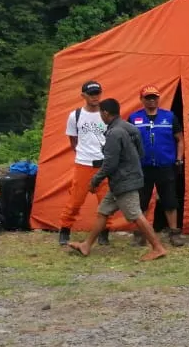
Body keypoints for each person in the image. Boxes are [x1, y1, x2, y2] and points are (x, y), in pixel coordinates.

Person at [66, 98, 166, 262]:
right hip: (123, 179)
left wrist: (95, 180)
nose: (100, 116)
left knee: (136, 215)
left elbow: (110, 164)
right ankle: (86, 245)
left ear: (105, 113)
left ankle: (158, 247)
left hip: (124, 182)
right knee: (103, 211)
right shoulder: (130, 127)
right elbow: (141, 153)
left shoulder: (114, 133)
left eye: (101, 113)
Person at [127, 85, 185, 247]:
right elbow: (128, 142)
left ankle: (174, 234)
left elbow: (180, 139)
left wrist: (179, 158)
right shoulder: (134, 118)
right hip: (142, 167)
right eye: (148, 97)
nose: (152, 100)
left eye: (154, 97)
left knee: (170, 201)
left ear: (159, 98)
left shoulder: (170, 116)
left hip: (165, 166)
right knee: (141, 202)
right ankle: (140, 235)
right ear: (142, 99)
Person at [58, 80, 110, 246]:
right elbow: (73, 141)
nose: (95, 97)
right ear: (83, 96)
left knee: (106, 201)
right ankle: (65, 230)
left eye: (97, 93)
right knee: (75, 200)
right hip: (83, 164)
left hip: (103, 165)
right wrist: (83, 154)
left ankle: (104, 233)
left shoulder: (106, 114)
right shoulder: (75, 115)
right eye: (91, 94)